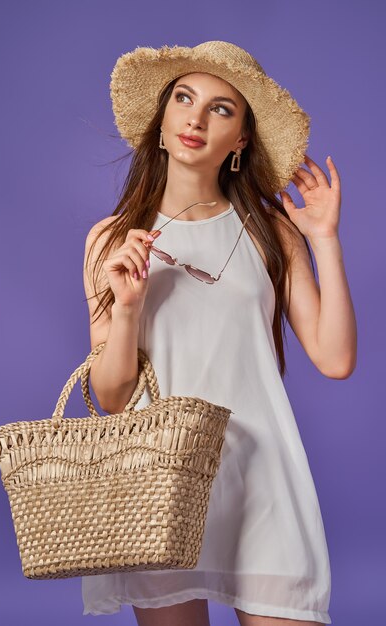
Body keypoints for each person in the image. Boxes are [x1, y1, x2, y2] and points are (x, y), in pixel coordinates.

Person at [81, 41, 357, 626]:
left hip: (261, 471)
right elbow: (109, 398)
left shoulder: (270, 232)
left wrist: (324, 239)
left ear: (241, 142)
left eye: (221, 108)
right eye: (184, 98)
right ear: (160, 126)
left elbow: (334, 358)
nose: (196, 118)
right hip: (162, 480)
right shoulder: (111, 240)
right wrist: (127, 306)